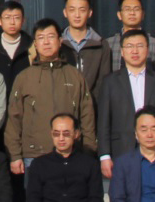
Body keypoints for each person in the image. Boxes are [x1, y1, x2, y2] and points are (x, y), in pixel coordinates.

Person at [5, 18, 97, 176]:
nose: (46, 42)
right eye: (41, 38)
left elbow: (87, 115)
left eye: (51, 36)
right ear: (35, 44)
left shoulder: (74, 75)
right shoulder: (24, 77)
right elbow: (14, 118)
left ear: (60, 41)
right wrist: (14, 155)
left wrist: (89, 151)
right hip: (34, 156)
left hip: (71, 154)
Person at [97, 29, 155, 179]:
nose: (135, 51)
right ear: (122, 52)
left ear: (147, 50)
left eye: (140, 46)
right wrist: (104, 156)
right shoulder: (110, 82)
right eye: (129, 46)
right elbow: (103, 122)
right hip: (121, 150)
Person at [59, 0, 112, 96]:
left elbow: (104, 81)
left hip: (92, 103)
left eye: (82, 10)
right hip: (63, 103)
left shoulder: (101, 44)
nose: (77, 15)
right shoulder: (58, 43)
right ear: (65, 12)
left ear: (90, 13)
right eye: (72, 10)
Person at [104, 0, 155, 76]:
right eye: (127, 9)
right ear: (119, 15)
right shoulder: (109, 43)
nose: (132, 13)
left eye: (136, 9)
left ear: (143, 14)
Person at [0, 0, 35, 97]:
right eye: (7, 18)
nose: (12, 22)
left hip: (25, 100)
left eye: (17, 18)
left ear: (23, 20)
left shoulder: (32, 47)